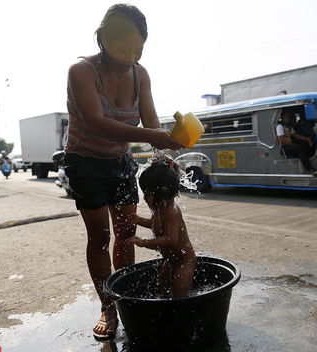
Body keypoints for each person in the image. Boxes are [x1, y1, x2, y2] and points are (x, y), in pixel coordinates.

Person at [64, 4, 183, 340]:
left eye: (138, 49)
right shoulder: (82, 71)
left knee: (126, 231)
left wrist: (161, 154)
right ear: (102, 39)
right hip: (85, 161)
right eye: (123, 48)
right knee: (100, 237)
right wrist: (154, 137)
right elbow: (96, 123)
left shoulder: (140, 74)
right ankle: (107, 304)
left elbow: (151, 119)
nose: (130, 56)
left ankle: (127, 295)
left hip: (120, 161)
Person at [128, 158, 196, 298]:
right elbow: (156, 226)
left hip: (184, 262)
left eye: (147, 194)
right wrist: (139, 220)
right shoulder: (159, 209)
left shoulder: (172, 211)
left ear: (163, 191)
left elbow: (170, 239)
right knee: (162, 286)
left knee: (180, 295)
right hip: (170, 260)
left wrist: (143, 242)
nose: (145, 199)